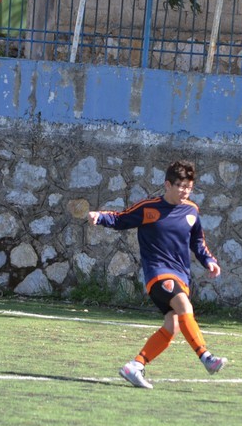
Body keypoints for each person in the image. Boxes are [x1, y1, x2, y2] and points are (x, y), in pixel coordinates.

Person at [87, 159, 228, 389]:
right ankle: (206, 357)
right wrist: (100, 217)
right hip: (158, 273)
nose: (185, 192)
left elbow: (197, 242)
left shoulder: (192, 210)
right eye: (180, 186)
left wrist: (209, 260)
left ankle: (135, 365)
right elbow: (121, 219)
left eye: (189, 187)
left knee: (173, 325)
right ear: (167, 185)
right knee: (184, 306)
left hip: (181, 275)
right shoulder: (149, 208)